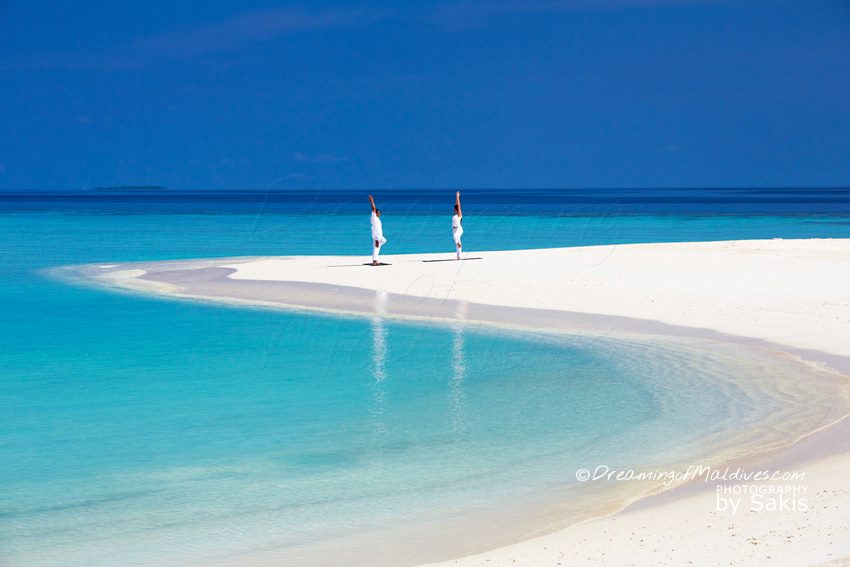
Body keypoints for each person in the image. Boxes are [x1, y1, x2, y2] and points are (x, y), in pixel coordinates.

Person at [368, 194, 387, 265]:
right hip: (377, 236)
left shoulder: (377, 219)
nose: (379, 214)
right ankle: (375, 261)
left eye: (379, 213)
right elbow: (373, 208)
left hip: (378, 236)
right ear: (375, 213)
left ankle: (375, 259)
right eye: (378, 213)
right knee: (376, 247)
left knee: (383, 241)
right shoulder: (374, 218)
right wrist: (372, 201)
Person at [452, 190, 463, 260]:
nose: (453, 210)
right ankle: (458, 256)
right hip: (454, 230)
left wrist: (457, 197)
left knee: (455, 237)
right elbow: (457, 205)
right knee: (457, 243)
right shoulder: (455, 215)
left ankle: (459, 245)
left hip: (459, 229)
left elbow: (458, 206)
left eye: (454, 209)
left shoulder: (459, 215)